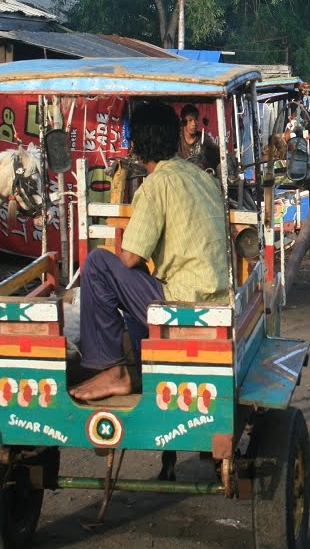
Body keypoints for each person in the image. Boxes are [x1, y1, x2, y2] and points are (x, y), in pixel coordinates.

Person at [69, 102, 230, 402]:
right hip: (220, 298)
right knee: (135, 273)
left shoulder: (156, 184)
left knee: (97, 264)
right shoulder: (204, 178)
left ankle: (112, 368)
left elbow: (129, 257)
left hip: (183, 303)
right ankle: (133, 359)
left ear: (137, 146)